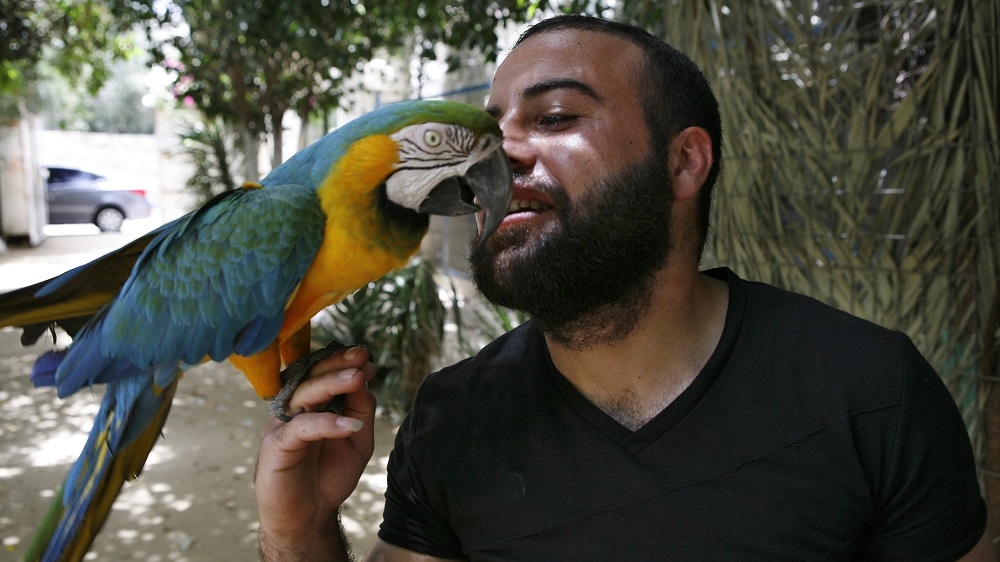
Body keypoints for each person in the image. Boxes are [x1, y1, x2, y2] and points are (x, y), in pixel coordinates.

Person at [254, 15, 994, 562]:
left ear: (684, 163)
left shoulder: (872, 392)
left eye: (554, 116)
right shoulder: (452, 418)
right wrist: (301, 532)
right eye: (488, 130)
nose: (500, 153)